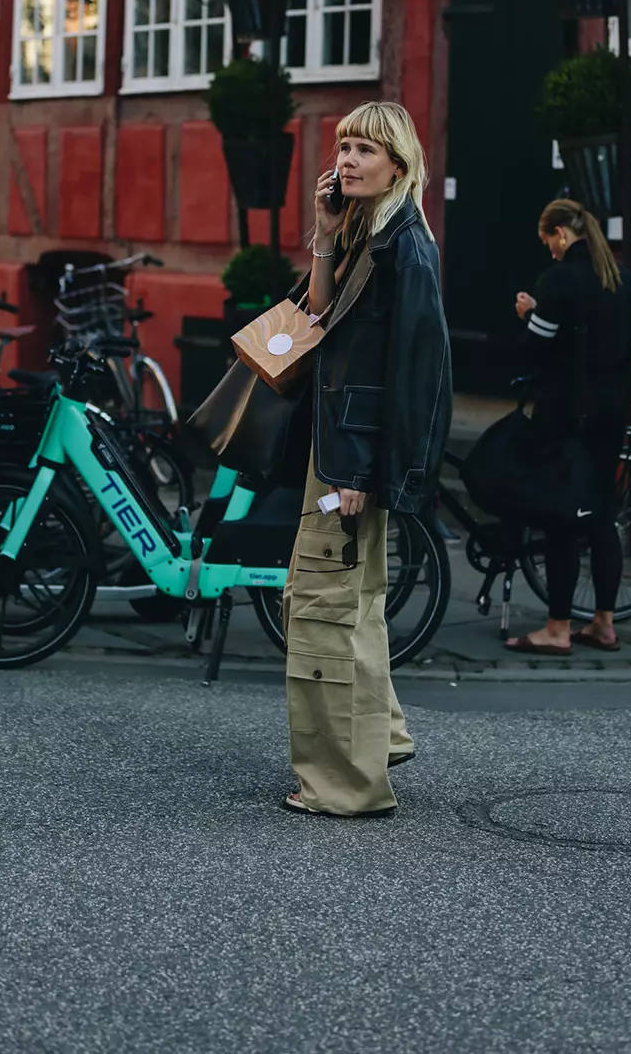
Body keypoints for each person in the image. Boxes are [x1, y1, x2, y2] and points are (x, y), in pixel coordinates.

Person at [281, 101, 452, 818]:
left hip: (348, 463)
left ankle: (346, 785)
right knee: (357, 608)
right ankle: (381, 736)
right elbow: (312, 323)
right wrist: (323, 238)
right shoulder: (364, 234)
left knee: (323, 611)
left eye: (366, 151)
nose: (348, 160)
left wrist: (363, 476)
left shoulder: (407, 248)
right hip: (336, 452)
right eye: (344, 146)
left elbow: (415, 377)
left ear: (400, 166)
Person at [506, 199, 631, 655]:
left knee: (561, 516)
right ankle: (604, 623)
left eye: (550, 243)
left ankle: (558, 627)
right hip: (612, 413)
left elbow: (534, 349)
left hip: (567, 414)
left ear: (561, 233)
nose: (550, 252)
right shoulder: (626, 282)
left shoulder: (561, 279)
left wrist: (530, 314)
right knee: (602, 515)